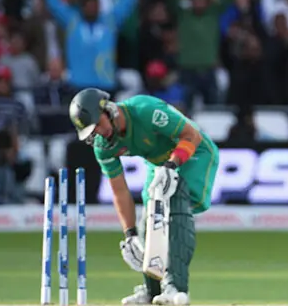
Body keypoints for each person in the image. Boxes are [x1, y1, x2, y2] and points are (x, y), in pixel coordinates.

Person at [68, 88, 219, 305]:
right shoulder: (103, 146)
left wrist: (171, 165)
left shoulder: (145, 110)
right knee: (149, 222)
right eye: (92, 130)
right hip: (157, 163)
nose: (99, 132)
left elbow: (191, 135)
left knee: (173, 197)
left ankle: (175, 287)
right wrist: (129, 234)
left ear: (108, 110)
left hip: (194, 152)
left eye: (98, 124)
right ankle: (152, 292)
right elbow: (120, 190)